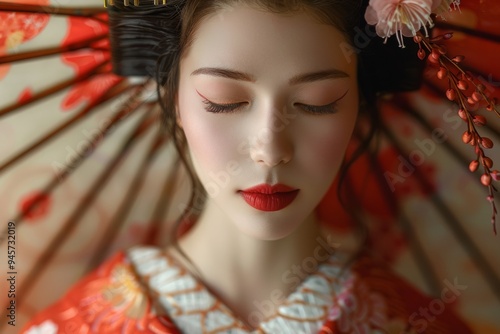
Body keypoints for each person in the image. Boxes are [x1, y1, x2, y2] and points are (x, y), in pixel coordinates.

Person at [22, 0, 474, 333]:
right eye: (225, 101)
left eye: (317, 103)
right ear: (175, 99)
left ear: (359, 103)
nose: (270, 148)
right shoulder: (81, 323)